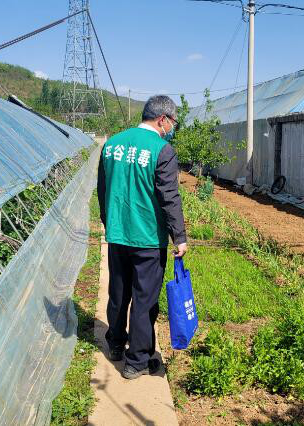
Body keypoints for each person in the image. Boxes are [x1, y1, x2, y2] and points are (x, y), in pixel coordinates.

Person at [97, 95, 187, 380]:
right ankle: (137, 361)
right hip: (147, 238)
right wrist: (179, 236)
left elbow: (102, 189)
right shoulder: (162, 150)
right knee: (144, 299)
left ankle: (115, 344)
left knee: (118, 292)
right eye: (173, 123)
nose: (172, 128)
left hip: (118, 234)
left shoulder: (112, 144)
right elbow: (169, 197)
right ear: (162, 120)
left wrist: (108, 222)